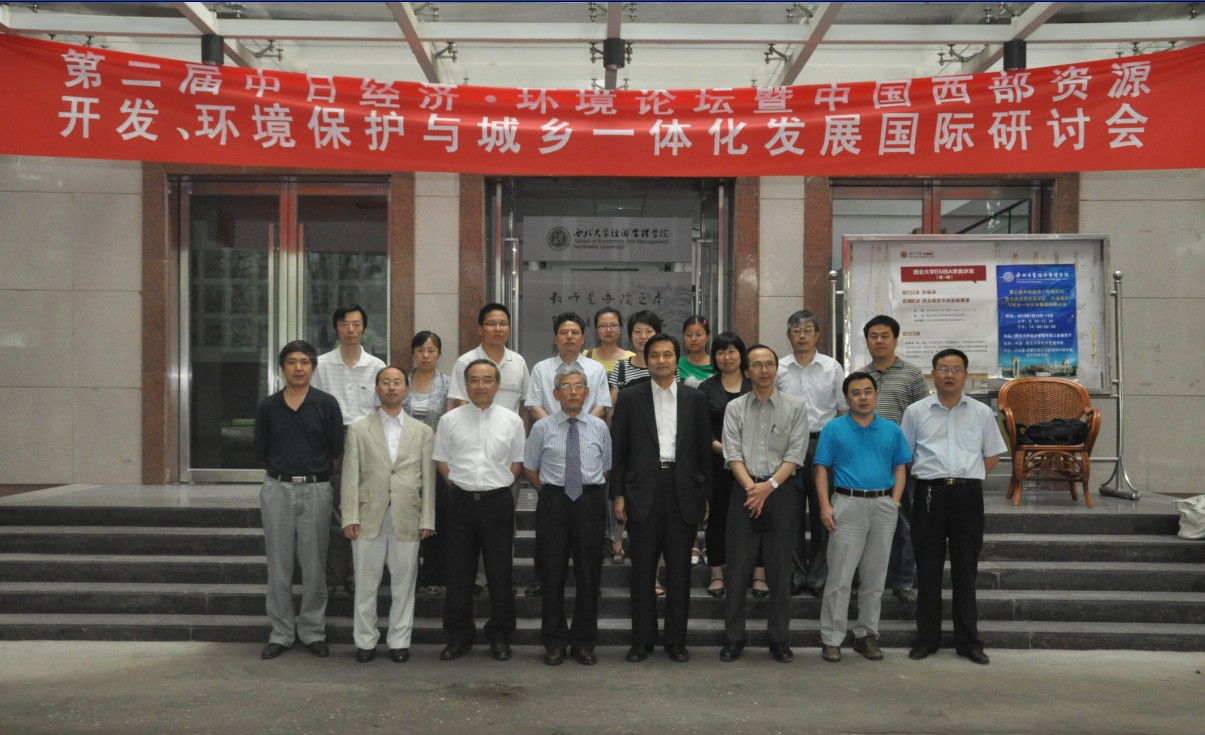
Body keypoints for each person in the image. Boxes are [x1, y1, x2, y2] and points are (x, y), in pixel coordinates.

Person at [610, 333, 712, 663]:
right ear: (647, 359)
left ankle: (675, 642)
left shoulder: (695, 399)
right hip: (642, 491)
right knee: (642, 570)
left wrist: (705, 495)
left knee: (680, 571)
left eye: (668, 354)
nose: (661, 360)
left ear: (676, 360)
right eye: (655, 355)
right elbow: (619, 450)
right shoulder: (630, 397)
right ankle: (642, 641)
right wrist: (618, 494)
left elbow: (703, 451)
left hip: (683, 489)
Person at [902, 348, 1007, 666]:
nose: (949, 375)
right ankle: (927, 638)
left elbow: (992, 454)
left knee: (965, 571)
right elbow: (906, 456)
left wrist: (967, 478)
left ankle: (968, 641)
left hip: (967, 496)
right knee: (928, 570)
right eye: (943, 369)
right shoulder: (916, 412)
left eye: (956, 369)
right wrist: (934, 477)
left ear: (965, 375)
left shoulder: (980, 412)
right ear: (932, 374)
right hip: (929, 495)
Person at [254, 340, 343, 660]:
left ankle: (312, 631)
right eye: (292, 362)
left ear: (313, 367)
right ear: (282, 368)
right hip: (277, 490)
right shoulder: (268, 406)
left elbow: (336, 452)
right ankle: (281, 633)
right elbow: (261, 450)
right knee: (278, 567)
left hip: (316, 490)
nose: (298, 368)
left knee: (314, 567)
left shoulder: (326, 404)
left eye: (305, 362)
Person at [433, 359, 527, 662]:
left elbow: (517, 462)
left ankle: (500, 636)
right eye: (474, 380)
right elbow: (442, 460)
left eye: (487, 380)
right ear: (466, 384)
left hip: (497, 503)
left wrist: (499, 485)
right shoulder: (449, 420)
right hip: (459, 503)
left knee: (500, 573)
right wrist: (459, 487)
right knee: (459, 573)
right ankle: (459, 636)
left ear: (497, 385)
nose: (480, 386)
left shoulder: (512, 420)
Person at [720, 344, 809, 664]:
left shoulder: (796, 407)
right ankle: (734, 638)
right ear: (747, 371)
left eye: (769, 364)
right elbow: (732, 453)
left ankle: (779, 639)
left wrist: (768, 487)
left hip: (781, 493)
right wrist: (752, 489)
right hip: (743, 491)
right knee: (737, 571)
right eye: (756, 365)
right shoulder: (734, 408)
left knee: (780, 569)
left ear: (776, 369)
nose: (764, 370)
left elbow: (795, 454)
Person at [815, 372, 912, 663]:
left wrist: (895, 502)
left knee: (875, 577)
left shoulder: (891, 429)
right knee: (840, 578)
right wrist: (824, 506)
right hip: (847, 504)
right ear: (847, 399)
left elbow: (900, 467)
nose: (862, 397)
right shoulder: (833, 429)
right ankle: (831, 638)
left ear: (876, 395)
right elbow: (821, 469)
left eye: (868, 391)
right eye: (855, 393)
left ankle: (866, 635)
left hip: (883, 505)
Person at [341, 365, 436, 664]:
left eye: (397, 382)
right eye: (385, 382)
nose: (391, 387)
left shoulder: (423, 431)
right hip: (367, 516)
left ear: (406, 389)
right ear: (377, 388)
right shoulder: (358, 429)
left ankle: (399, 641)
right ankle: (365, 641)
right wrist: (349, 516)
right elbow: (350, 475)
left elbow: (428, 480)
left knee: (404, 586)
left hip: (408, 517)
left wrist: (427, 519)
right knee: (365, 586)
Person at [523, 364, 612, 666]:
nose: (572, 392)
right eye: (566, 387)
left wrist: (586, 491)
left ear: (587, 393)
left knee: (589, 574)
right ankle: (554, 642)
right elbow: (529, 467)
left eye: (578, 387)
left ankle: (585, 642)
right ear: (555, 393)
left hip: (589, 501)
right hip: (555, 501)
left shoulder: (599, 427)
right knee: (552, 573)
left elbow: (606, 466)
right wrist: (551, 493)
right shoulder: (542, 427)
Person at [446, 304, 531, 595]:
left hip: (506, 457)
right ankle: (477, 579)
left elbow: (524, 406)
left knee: (503, 524)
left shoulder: (518, 362)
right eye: (491, 323)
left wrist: (518, 446)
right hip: (470, 455)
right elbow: (458, 403)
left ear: (509, 328)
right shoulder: (466, 361)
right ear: (480, 328)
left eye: (503, 323)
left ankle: (500, 580)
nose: (497, 329)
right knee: (469, 528)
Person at [310, 304, 386, 599]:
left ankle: (358, 575)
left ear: (364, 328)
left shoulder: (376, 366)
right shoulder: (321, 365)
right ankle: (334, 575)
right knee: (333, 510)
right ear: (336, 328)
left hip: (366, 438)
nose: (351, 329)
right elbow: (315, 407)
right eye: (345, 324)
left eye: (356, 324)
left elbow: (381, 411)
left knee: (363, 508)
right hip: (331, 439)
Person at [857, 315, 931, 603]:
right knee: (866, 525)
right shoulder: (860, 377)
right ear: (867, 341)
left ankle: (902, 582)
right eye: (873, 336)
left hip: (903, 462)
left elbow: (924, 418)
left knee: (904, 524)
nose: (879, 341)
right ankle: (867, 580)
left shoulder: (912, 375)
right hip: (866, 463)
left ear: (895, 340)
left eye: (884, 335)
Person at [775, 309, 846, 599]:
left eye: (807, 330)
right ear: (788, 335)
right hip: (788, 445)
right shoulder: (779, 368)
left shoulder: (832, 367)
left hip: (823, 443)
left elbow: (843, 411)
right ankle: (794, 575)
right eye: (796, 330)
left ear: (817, 334)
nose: (802, 335)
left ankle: (818, 577)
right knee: (789, 513)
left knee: (823, 513)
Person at [696, 332, 752, 599]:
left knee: (754, 516)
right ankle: (716, 572)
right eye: (720, 352)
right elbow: (699, 427)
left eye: (732, 351)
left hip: (754, 464)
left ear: (741, 354)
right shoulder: (706, 388)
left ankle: (758, 573)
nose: (727, 357)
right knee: (717, 517)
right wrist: (721, 447)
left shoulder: (754, 384)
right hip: (717, 463)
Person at [606, 309, 663, 567]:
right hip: (630, 439)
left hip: (660, 440)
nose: (643, 336)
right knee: (624, 491)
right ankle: (617, 540)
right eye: (638, 332)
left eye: (648, 331)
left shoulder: (665, 365)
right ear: (630, 336)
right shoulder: (621, 367)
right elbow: (612, 407)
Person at [403, 331, 451, 597]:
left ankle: (433, 574)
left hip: (436, 460)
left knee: (436, 517)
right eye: (420, 350)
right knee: (407, 515)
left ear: (439, 354)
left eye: (431, 351)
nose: (425, 355)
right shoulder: (401, 382)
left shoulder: (448, 384)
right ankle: (406, 574)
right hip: (404, 460)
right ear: (413, 353)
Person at [527, 312, 611, 421]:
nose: (569, 336)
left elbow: (602, 406)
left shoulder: (597, 369)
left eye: (575, 332)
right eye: (564, 332)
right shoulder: (541, 369)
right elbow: (535, 406)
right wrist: (553, 427)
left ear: (582, 339)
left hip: (588, 429)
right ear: (555, 339)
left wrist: (584, 426)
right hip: (550, 430)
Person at [582, 306, 634, 376]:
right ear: (596, 329)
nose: (608, 330)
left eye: (613, 325)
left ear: (620, 329)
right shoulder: (587, 355)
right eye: (603, 326)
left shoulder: (631, 358)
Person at [677, 315, 716, 388]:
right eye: (689, 335)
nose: (693, 339)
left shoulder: (717, 364)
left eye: (698, 335)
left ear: (707, 336)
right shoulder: (677, 365)